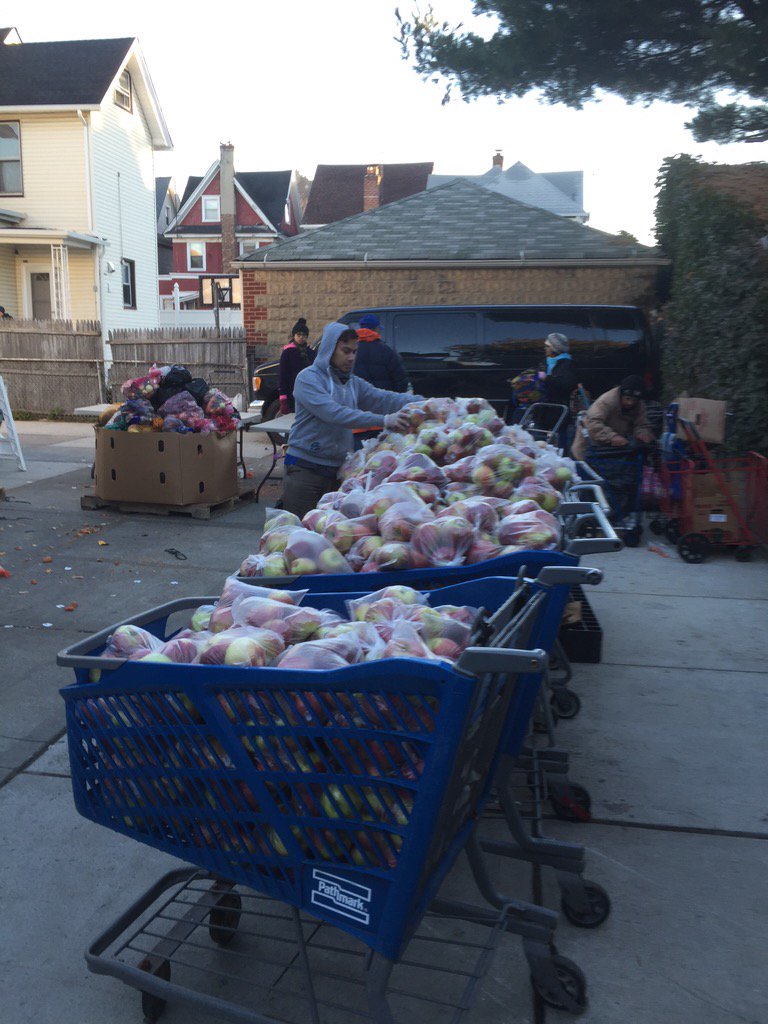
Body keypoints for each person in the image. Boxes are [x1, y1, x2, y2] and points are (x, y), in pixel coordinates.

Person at [282, 322, 423, 518]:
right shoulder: (308, 379)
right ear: (330, 349)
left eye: (354, 352)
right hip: (306, 470)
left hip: (338, 471)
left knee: (329, 536)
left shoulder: (351, 382)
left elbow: (382, 398)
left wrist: (425, 402)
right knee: (297, 530)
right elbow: (335, 414)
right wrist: (384, 420)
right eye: (345, 351)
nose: (351, 357)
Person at [571, 375, 654, 460]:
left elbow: (642, 423)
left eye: (634, 400)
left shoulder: (639, 405)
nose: (630, 403)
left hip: (612, 447)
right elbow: (592, 423)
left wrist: (643, 433)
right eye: (627, 398)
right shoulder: (606, 401)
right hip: (589, 444)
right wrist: (611, 437)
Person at [352, 314, 409, 392]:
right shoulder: (387, 350)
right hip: (383, 401)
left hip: (359, 400)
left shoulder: (350, 351)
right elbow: (401, 380)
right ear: (376, 329)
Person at [278, 317, 314, 415]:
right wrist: (283, 397)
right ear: (294, 336)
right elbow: (283, 374)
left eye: (304, 335)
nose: (301, 337)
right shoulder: (288, 352)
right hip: (291, 392)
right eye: (298, 335)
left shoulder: (310, 352)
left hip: (307, 392)